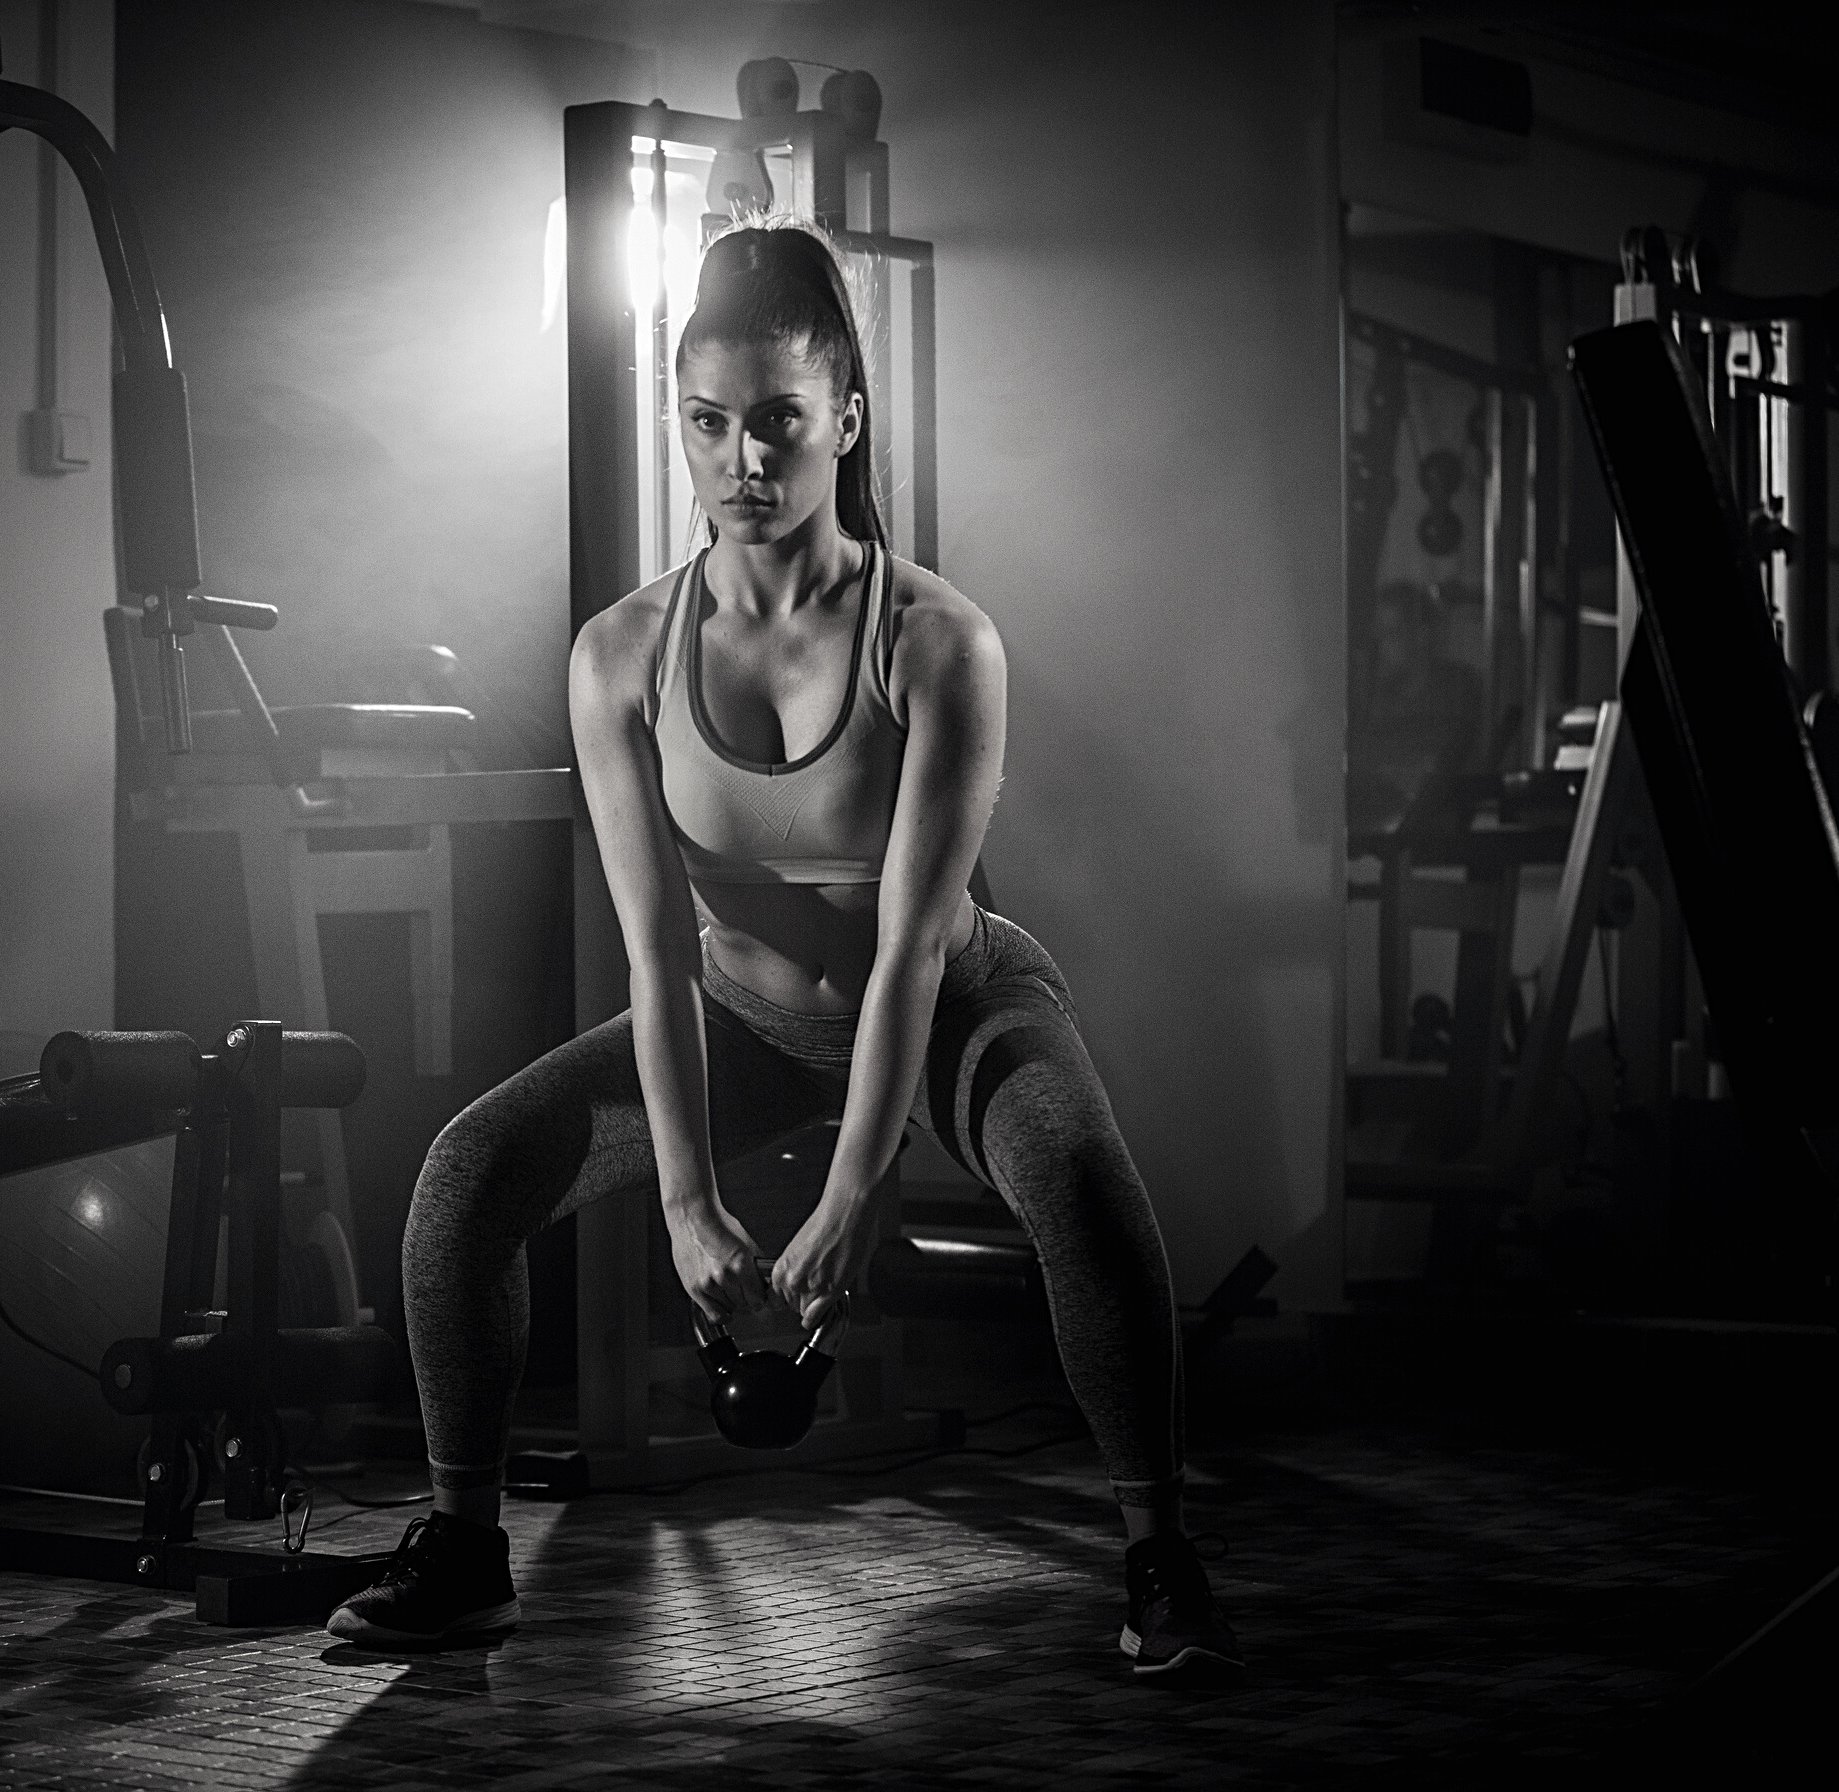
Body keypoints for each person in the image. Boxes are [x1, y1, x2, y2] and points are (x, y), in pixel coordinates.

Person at [328, 219, 1240, 1674]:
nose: (742, 461)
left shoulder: (939, 642)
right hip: (737, 1019)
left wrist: (855, 1187)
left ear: (845, 423)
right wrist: (687, 1198)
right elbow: (651, 949)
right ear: (679, 430)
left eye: (778, 424)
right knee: (467, 1175)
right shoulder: (620, 654)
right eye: (709, 426)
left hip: (947, 995)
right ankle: (465, 1552)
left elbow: (906, 956)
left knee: (1069, 1167)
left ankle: (1159, 1553)